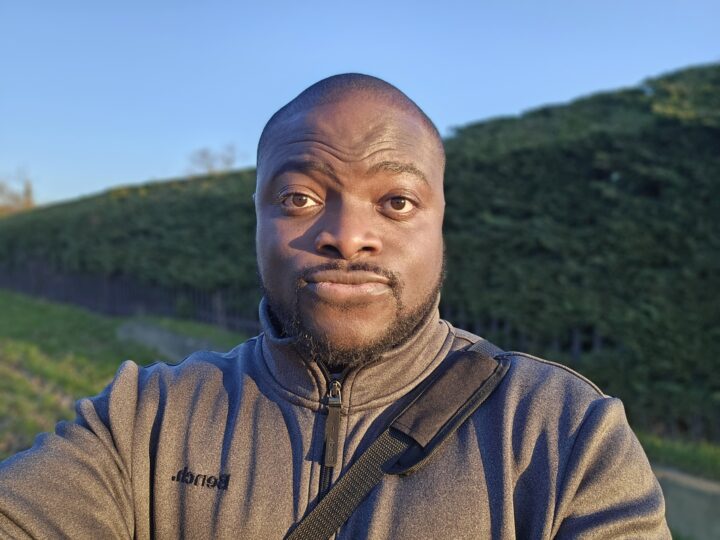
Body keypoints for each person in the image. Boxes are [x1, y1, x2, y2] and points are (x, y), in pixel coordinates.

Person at [0, 74, 669, 539]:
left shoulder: (563, 434)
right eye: (299, 198)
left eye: (396, 201)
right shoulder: (146, 420)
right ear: (257, 220)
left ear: (440, 223)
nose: (347, 236)